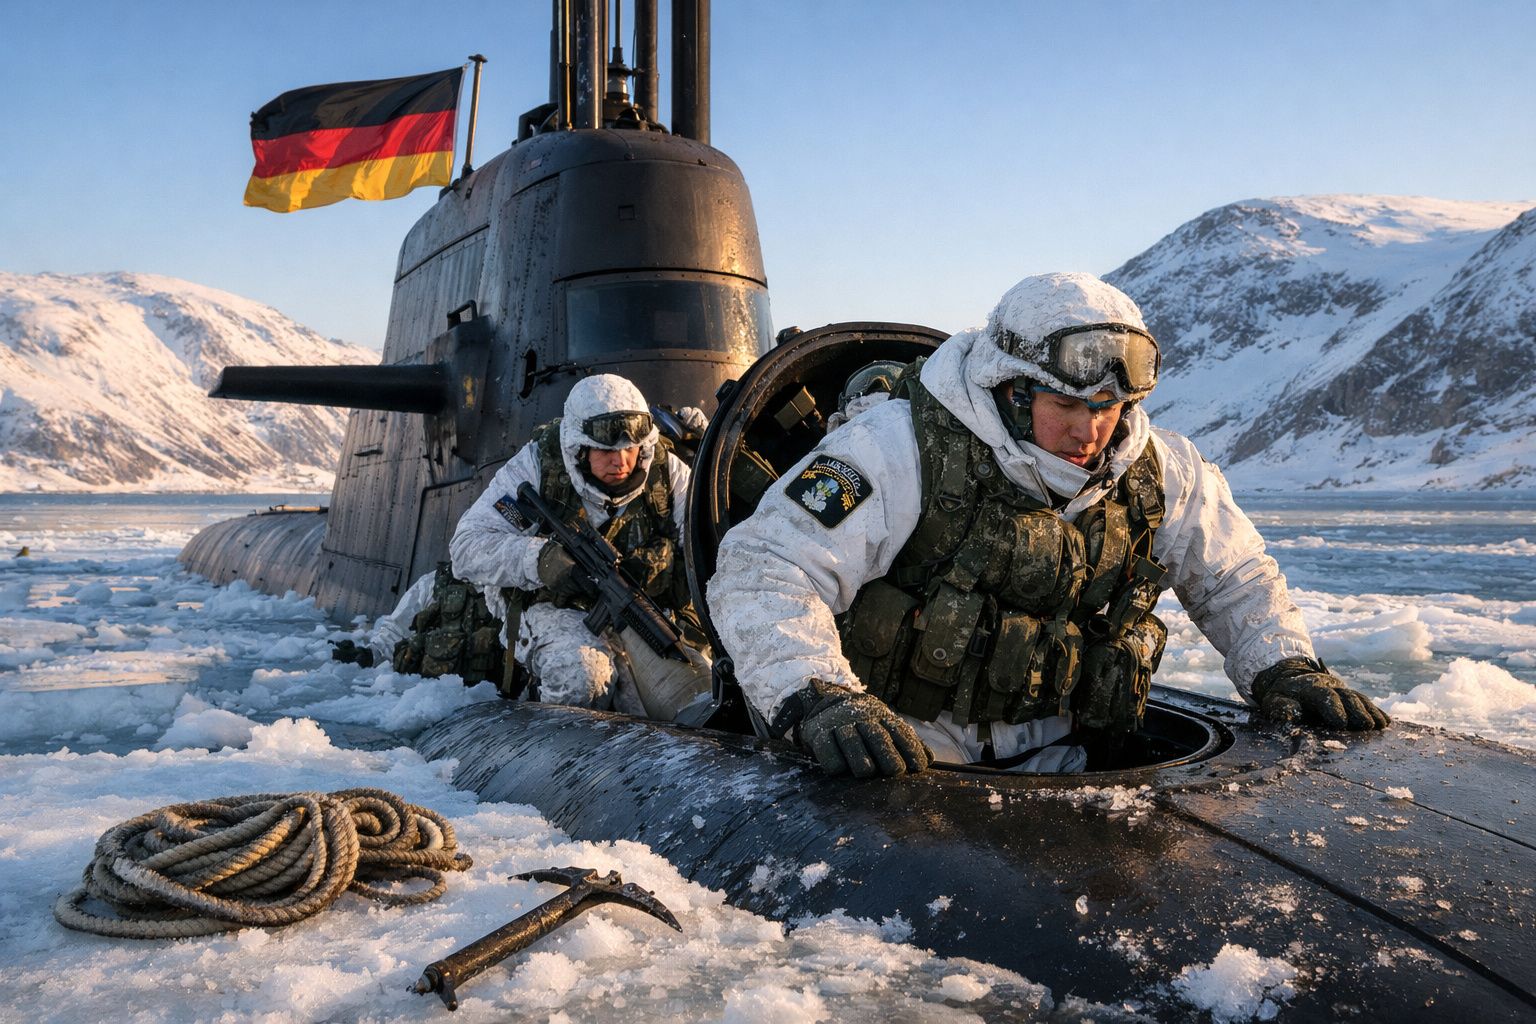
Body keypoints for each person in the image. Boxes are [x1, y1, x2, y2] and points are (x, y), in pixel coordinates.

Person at [707, 272, 1389, 779]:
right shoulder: (891, 449)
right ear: (1011, 387)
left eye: (1110, 404)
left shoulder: (1163, 470)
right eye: (1066, 403)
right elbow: (768, 569)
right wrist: (817, 695)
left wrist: (1283, 666)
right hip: (904, 757)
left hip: (1069, 758)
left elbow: (1234, 576)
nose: (1091, 430)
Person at [450, 374, 710, 719]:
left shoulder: (668, 473)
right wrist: (539, 560)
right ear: (579, 447)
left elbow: (708, 547)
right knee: (584, 680)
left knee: (680, 702)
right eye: (605, 451)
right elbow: (465, 548)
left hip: (639, 609)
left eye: (629, 450)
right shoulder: (537, 465)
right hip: (556, 609)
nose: (620, 462)